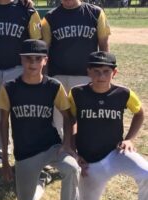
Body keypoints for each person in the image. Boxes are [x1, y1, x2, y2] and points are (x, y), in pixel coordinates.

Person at [0, 39, 80, 200]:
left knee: (72, 168)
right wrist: (4, 158)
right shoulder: (9, 87)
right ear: (21, 60)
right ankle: (41, 180)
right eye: (28, 59)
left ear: (45, 61)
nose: (32, 63)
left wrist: (67, 145)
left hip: (51, 147)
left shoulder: (53, 86)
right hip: (25, 152)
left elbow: (69, 117)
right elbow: (3, 123)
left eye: (37, 58)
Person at [69, 51, 148, 200]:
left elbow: (140, 113)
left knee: (147, 173)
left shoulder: (123, 93)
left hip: (116, 152)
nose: (101, 76)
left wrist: (129, 138)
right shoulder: (77, 93)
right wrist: (73, 150)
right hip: (90, 161)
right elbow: (71, 121)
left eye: (106, 71)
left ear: (114, 72)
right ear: (88, 71)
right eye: (96, 71)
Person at [0, 0, 42, 165]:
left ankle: (27, 150)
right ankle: (0, 152)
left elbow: (38, 41)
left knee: (23, 111)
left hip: (18, 68)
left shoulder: (26, 10)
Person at [41, 0, 111, 137]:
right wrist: (45, 77)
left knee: (85, 116)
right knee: (59, 118)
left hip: (86, 75)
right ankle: (62, 150)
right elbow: (45, 50)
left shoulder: (95, 12)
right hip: (58, 75)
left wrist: (105, 69)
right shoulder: (50, 17)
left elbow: (103, 43)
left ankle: (85, 150)